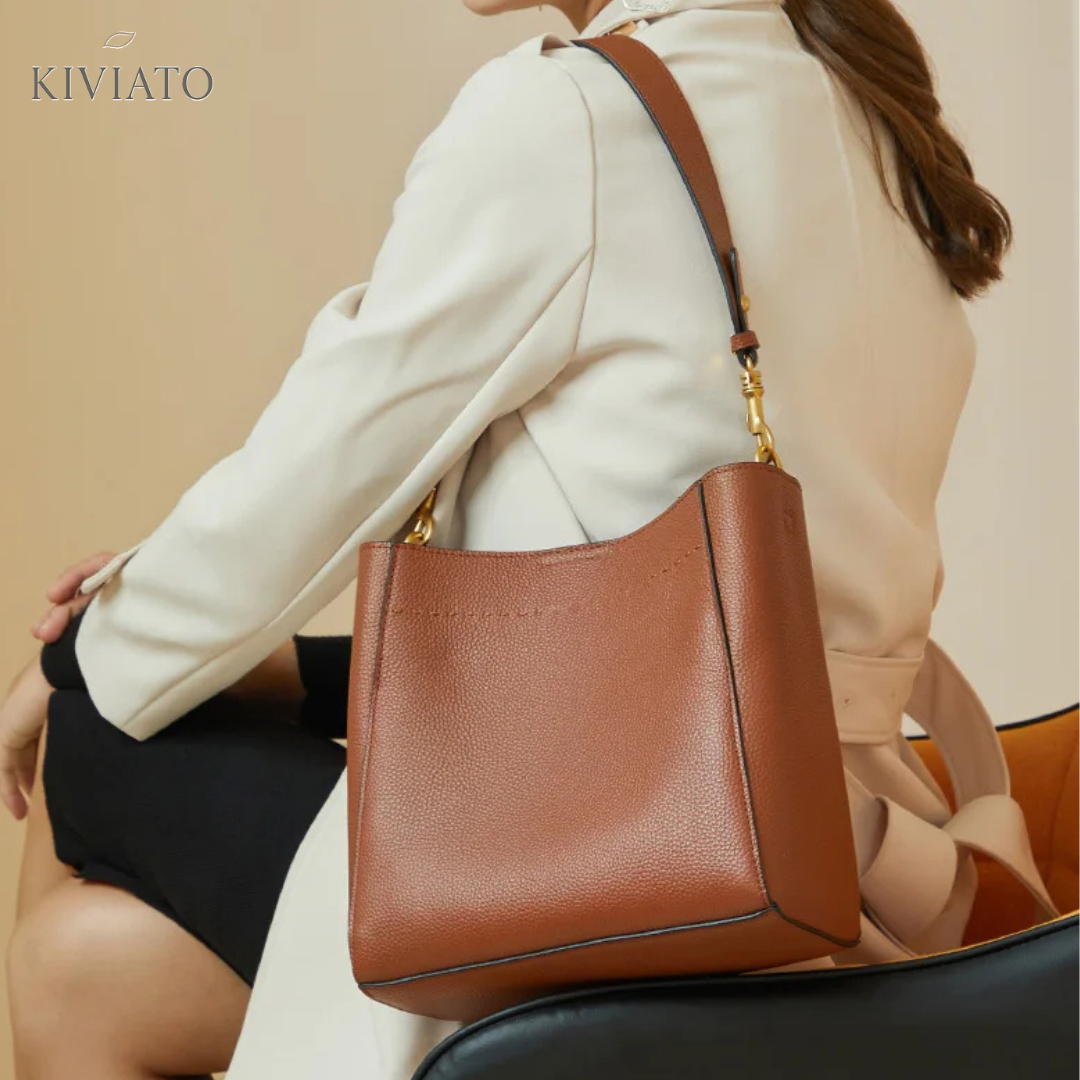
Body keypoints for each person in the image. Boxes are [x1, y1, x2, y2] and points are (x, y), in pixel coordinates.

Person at [0, 1, 1050, 1077]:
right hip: (828, 865)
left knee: (90, 730)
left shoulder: (578, 117)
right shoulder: (871, 122)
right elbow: (673, 623)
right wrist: (285, 675)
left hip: (618, 863)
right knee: (73, 969)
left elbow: (313, 476)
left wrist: (79, 651)